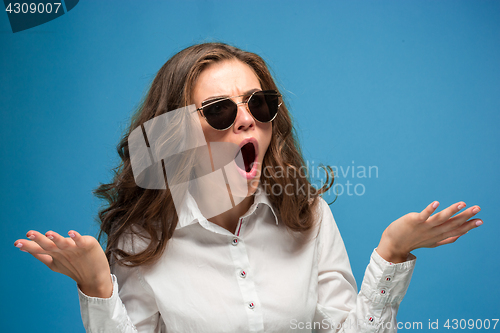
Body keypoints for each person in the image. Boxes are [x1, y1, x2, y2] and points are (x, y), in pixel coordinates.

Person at [14, 43, 482, 333]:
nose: (246, 118)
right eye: (219, 110)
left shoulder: (309, 217)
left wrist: (391, 254)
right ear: (179, 134)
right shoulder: (144, 239)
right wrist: (98, 287)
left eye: (259, 103)